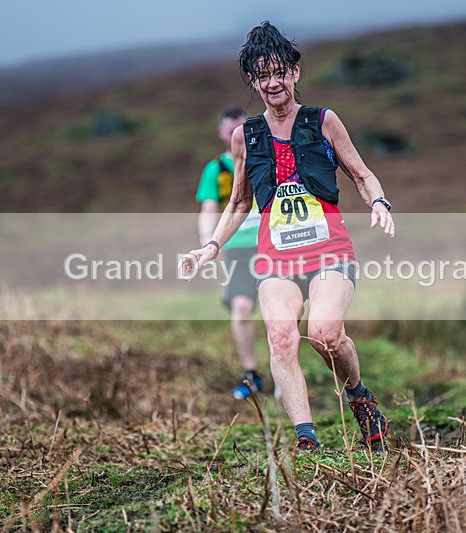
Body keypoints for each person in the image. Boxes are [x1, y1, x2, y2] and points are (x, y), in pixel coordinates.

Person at [182, 21, 396, 451]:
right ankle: (307, 440)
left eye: (279, 71)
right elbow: (241, 202)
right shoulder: (247, 136)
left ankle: (359, 396)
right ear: (252, 81)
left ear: (295, 72)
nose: (272, 82)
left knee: (324, 333)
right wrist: (209, 247)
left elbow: (362, 174)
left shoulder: (324, 121)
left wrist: (378, 203)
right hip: (275, 258)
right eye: (262, 75)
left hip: (329, 248)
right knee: (281, 337)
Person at [195, 107, 264, 400]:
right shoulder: (217, 169)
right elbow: (208, 209)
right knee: (241, 308)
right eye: (232, 128)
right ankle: (250, 373)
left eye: (243, 126)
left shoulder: (267, 158)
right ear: (223, 133)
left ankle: (287, 366)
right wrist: (210, 243)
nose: (238, 133)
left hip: (273, 242)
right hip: (236, 247)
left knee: (283, 312)